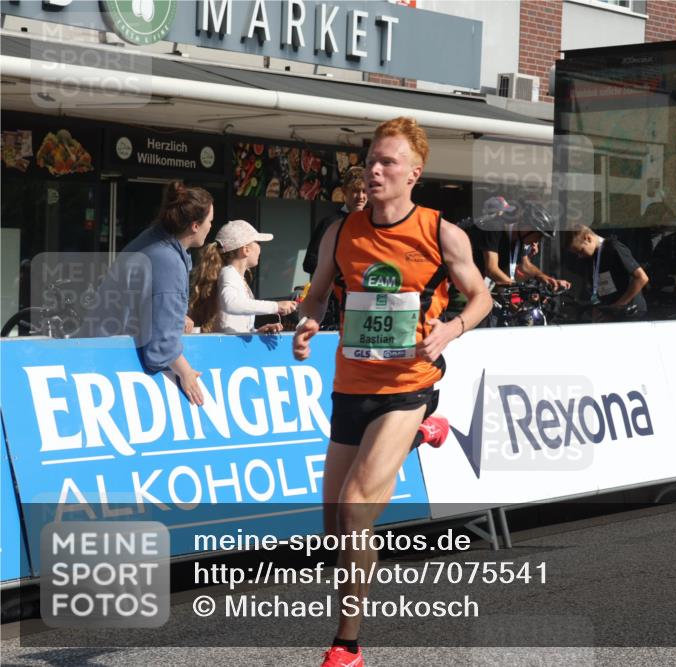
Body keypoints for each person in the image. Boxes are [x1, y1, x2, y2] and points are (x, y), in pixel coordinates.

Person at [291, 117, 492, 667]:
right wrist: (307, 324)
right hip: (351, 386)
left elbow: (481, 297)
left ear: (414, 173)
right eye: (371, 161)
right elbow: (317, 295)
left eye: (388, 163)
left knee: (357, 509)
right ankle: (427, 436)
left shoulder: (440, 232)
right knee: (334, 521)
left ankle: (346, 645)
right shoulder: (342, 230)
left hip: (409, 387)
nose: (374, 171)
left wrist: (452, 328)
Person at [83, 181, 213, 405]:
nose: (211, 226)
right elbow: (160, 347)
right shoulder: (168, 260)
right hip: (112, 364)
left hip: (96, 350)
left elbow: (141, 298)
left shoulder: (153, 239)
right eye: (210, 221)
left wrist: (173, 315)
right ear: (194, 226)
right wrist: (186, 372)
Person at [188, 220, 297, 333]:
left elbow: (234, 325)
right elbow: (230, 303)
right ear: (245, 250)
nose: (260, 248)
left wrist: (256, 332)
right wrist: (276, 306)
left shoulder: (235, 276)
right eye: (258, 242)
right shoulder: (228, 272)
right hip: (226, 348)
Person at [303, 167, 368, 329]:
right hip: (333, 308)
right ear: (344, 192)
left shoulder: (372, 224)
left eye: (364, 191)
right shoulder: (331, 223)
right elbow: (309, 262)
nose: (360, 196)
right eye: (355, 191)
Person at [475, 196, 570, 290]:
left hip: (478, 283)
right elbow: (491, 269)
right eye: (538, 236)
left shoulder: (519, 239)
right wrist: (516, 290)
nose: (537, 241)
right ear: (527, 228)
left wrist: (543, 277)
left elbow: (525, 265)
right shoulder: (495, 227)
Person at [567, 224, 648, 320]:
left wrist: (618, 306)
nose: (580, 256)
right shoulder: (591, 258)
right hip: (610, 312)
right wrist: (597, 308)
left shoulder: (614, 248)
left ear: (588, 238)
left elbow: (642, 278)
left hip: (630, 311)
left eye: (580, 251)